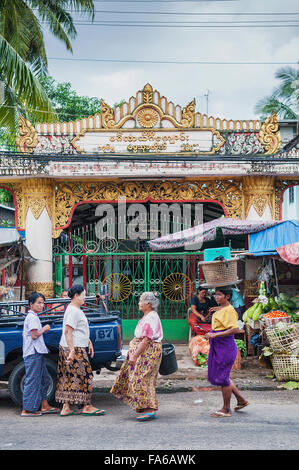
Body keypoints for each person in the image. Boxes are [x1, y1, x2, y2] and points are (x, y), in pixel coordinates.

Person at [110, 291, 163, 422]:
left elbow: (146, 340)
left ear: (148, 304)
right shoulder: (148, 316)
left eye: (141, 300)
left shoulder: (151, 317)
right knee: (143, 378)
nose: (139, 303)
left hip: (148, 352)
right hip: (145, 352)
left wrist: (134, 355)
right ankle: (148, 408)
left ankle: (149, 409)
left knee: (140, 378)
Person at [55, 284, 106, 417]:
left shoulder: (74, 309)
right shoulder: (74, 311)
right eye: (83, 295)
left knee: (69, 377)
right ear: (76, 296)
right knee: (85, 376)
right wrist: (72, 351)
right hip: (74, 348)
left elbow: (78, 329)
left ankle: (66, 407)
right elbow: (68, 332)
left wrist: (88, 341)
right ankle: (86, 406)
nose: (85, 298)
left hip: (72, 346)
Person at [205, 288, 249, 418]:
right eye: (215, 294)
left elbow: (234, 329)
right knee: (224, 376)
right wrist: (217, 310)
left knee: (223, 379)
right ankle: (241, 400)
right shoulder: (223, 308)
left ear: (227, 296)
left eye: (219, 295)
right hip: (220, 346)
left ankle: (226, 409)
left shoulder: (229, 310)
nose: (216, 297)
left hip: (225, 347)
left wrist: (214, 335)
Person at [21, 292, 59, 417]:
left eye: (42, 303)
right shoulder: (32, 317)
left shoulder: (33, 316)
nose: (41, 305)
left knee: (44, 379)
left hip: (37, 352)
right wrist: (45, 329)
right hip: (33, 353)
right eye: (39, 303)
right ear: (31, 304)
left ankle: (44, 405)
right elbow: (34, 335)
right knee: (32, 380)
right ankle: (27, 409)